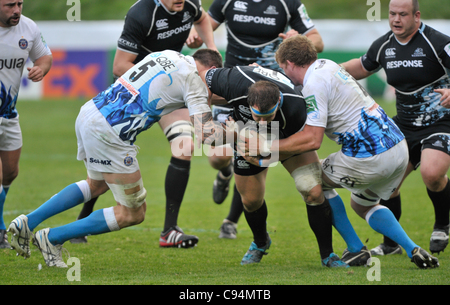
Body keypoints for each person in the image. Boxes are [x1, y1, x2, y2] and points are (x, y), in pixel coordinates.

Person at [7, 49, 226, 267]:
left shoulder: (169, 55)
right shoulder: (194, 80)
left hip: (91, 111)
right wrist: (239, 132)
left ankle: (28, 222)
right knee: (133, 213)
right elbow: (206, 135)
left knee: (96, 185)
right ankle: (52, 238)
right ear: (212, 70)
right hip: (110, 132)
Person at [254, 34, 439, 269]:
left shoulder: (313, 84)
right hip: (398, 147)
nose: (285, 73)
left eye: (283, 68)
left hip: (369, 156)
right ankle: (413, 248)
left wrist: (269, 148)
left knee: (312, 180)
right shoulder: (328, 65)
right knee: (363, 205)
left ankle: (355, 248)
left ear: (290, 63)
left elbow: (313, 139)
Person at [71, 0, 218, 248]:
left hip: (177, 88)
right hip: (134, 95)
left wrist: (211, 49)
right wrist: (159, 80)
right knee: (103, 168)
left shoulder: (189, 5)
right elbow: (119, 66)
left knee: (184, 147)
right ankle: (82, 220)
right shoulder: (141, 14)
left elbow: (202, 19)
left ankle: (169, 230)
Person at [204, 65, 366, 267]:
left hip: (288, 139)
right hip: (247, 137)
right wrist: (220, 127)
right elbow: (199, 85)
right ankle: (260, 242)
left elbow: (305, 142)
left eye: (268, 117)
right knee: (251, 201)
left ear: (278, 101)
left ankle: (328, 255)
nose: (263, 122)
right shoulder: (233, 82)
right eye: (257, 116)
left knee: (312, 190)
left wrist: (263, 155)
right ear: (248, 102)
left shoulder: (296, 106)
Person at [188, 0, 324, 241]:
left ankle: (231, 221)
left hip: (271, 95)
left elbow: (317, 42)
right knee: (217, 156)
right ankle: (225, 174)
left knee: (256, 155)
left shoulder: (287, 4)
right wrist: (195, 35)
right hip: (234, 85)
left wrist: (296, 39)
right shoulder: (227, 2)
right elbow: (204, 23)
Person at [341, 0, 450, 255]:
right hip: (403, 125)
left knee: (432, 174)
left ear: (417, 16)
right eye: (392, 14)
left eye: (403, 14)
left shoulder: (437, 43)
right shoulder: (384, 45)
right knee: (387, 184)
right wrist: (322, 70)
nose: (396, 19)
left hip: (441, 122)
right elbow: (360, 67)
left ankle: (443, 223)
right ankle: (391, 245)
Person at [0, 0, 52, 248]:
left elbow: (44, 57)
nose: (17, 10)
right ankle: (0, 229)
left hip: (9, 114)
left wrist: (41, 69)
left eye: (20, 3)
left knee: (10, 172)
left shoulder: (28, 28)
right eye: (10, 5)